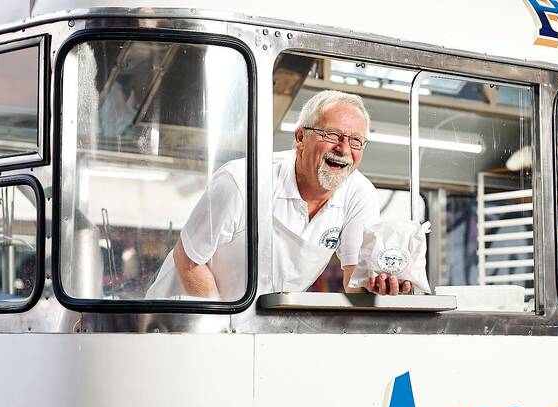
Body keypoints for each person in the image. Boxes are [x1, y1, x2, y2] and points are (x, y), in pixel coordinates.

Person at [146, 90, 411, 300]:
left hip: (258, 327)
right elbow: (188, 258)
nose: (343, 149)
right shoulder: (241, 180)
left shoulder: (359, 194)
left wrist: (380, 286)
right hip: (182, 316)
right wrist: (222, 327)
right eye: (332, 135)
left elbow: (355, 282)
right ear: (300, 138)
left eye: (356, 141)